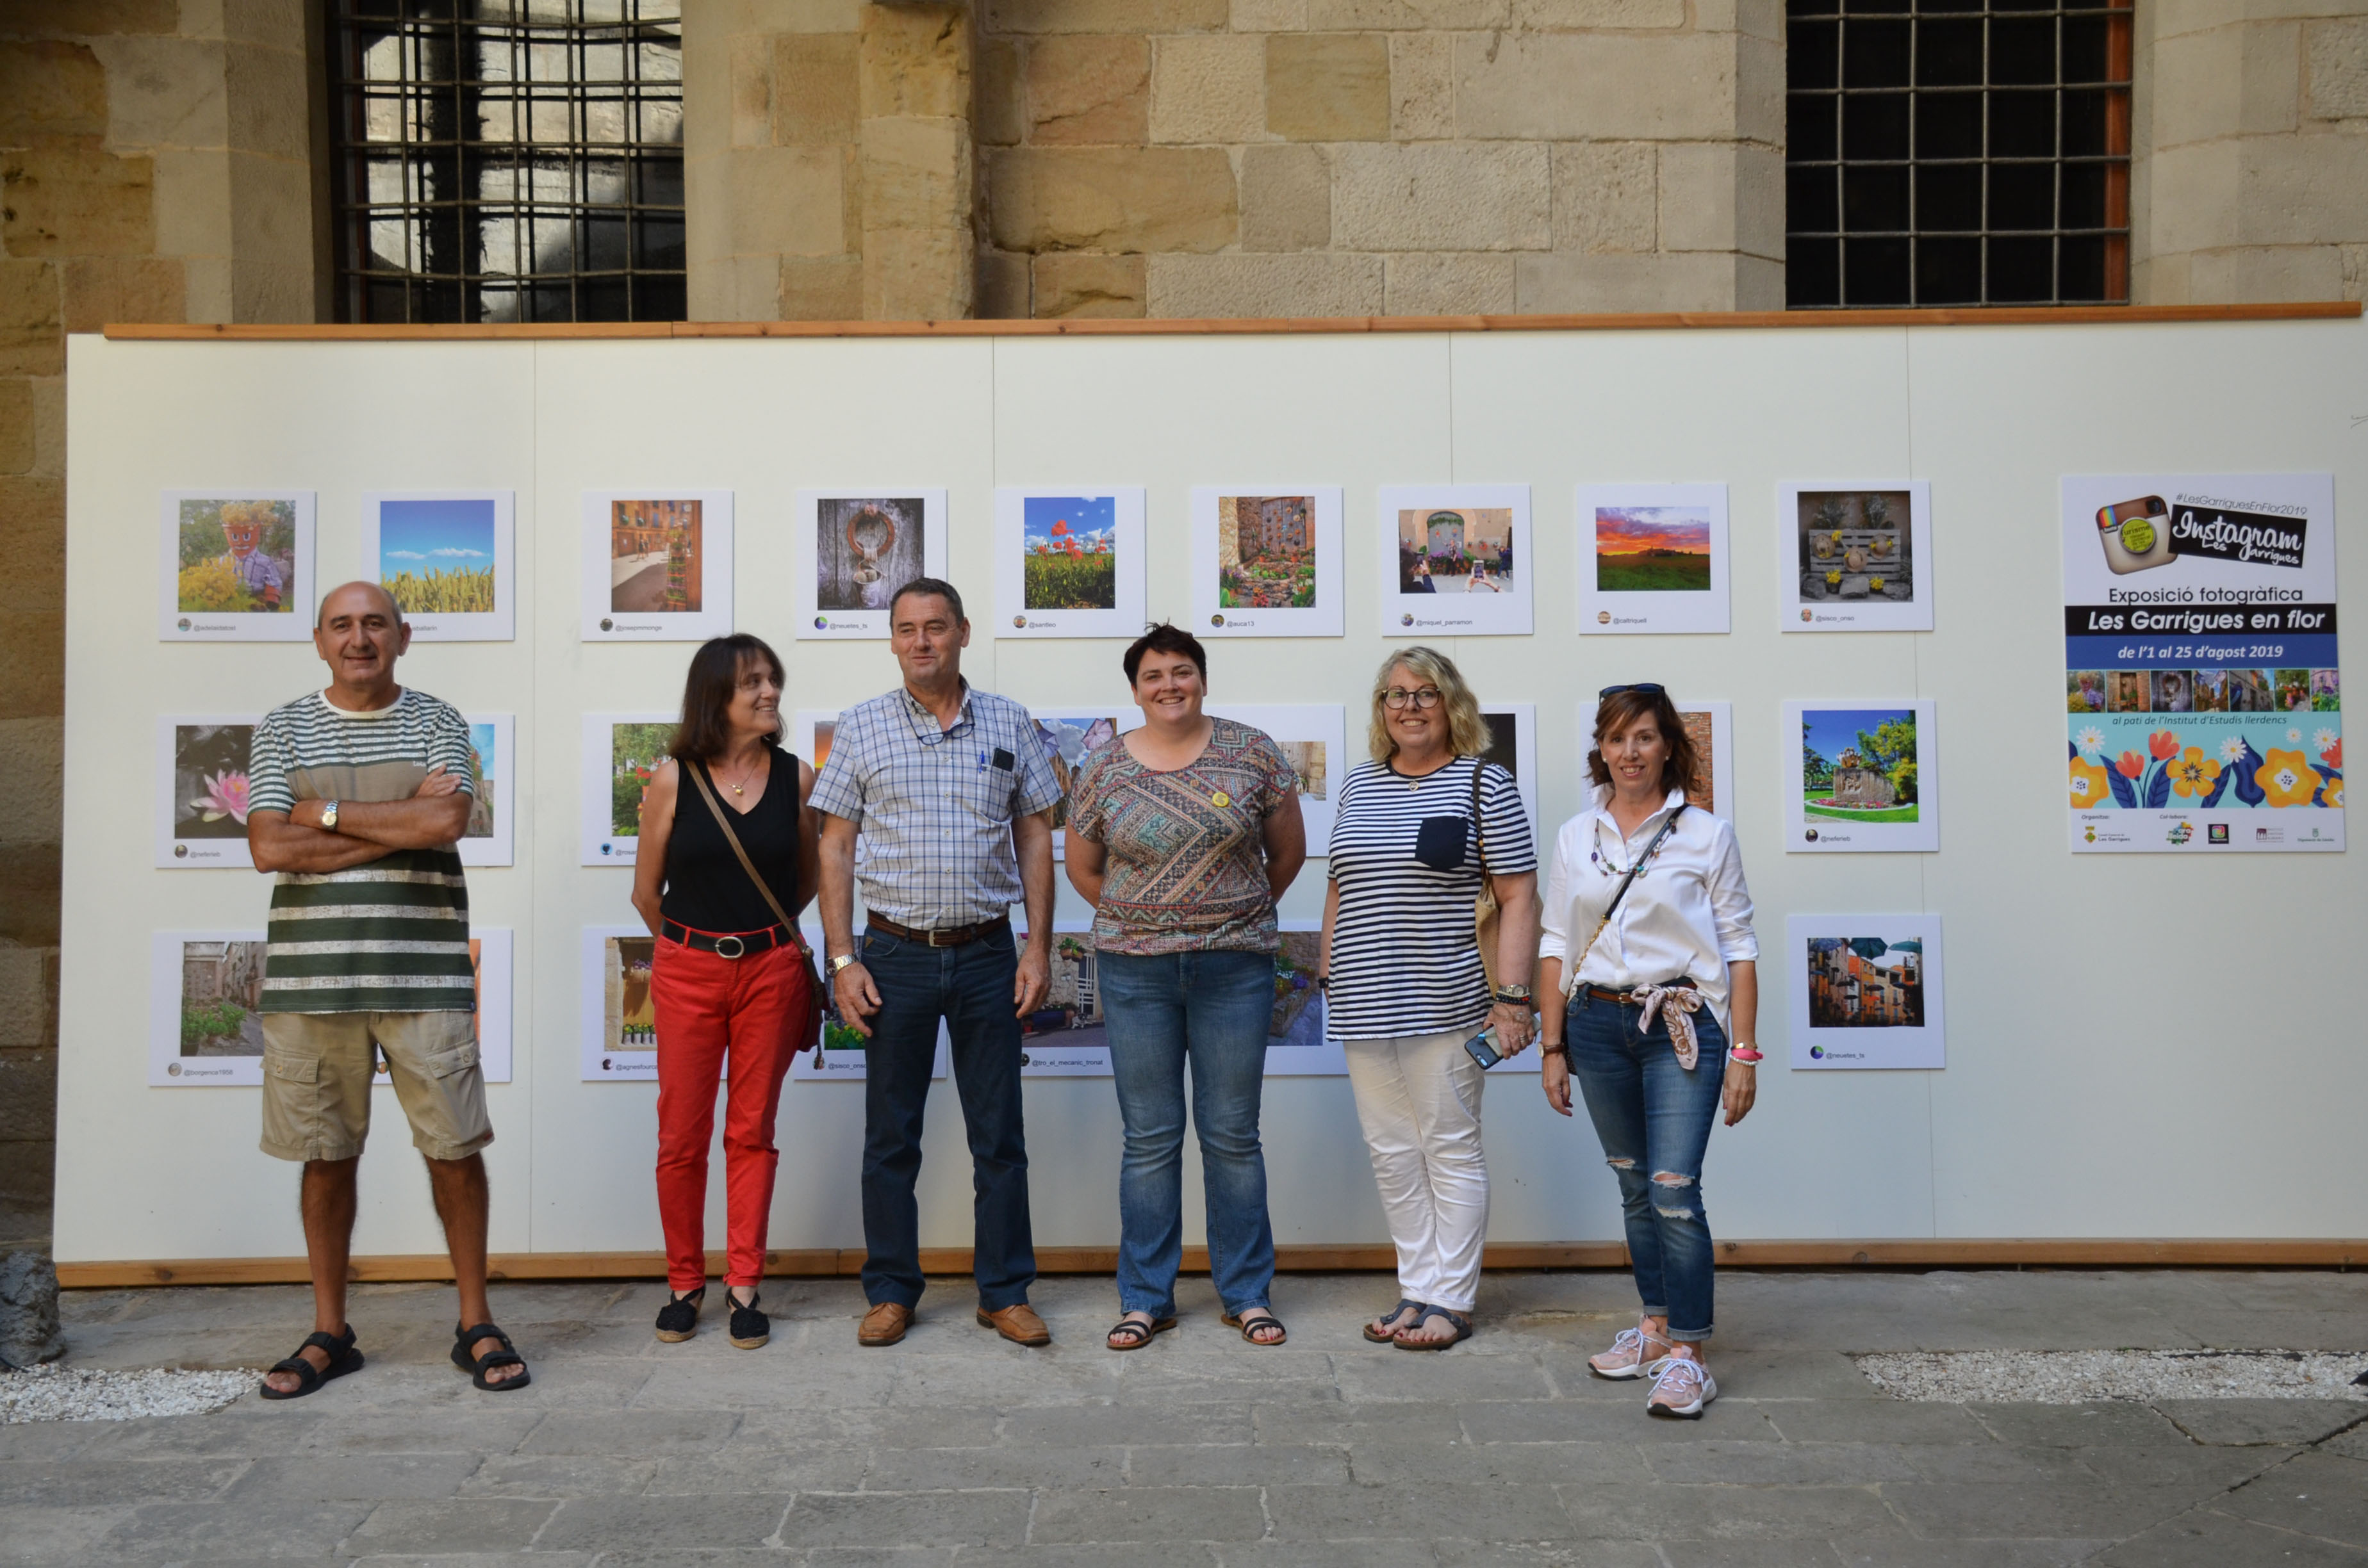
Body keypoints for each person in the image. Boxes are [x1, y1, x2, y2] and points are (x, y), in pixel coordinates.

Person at [244, 582, 527, 1398]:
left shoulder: (439, 718)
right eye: (343, 626)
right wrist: (392, 819)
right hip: (312, 984)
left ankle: (475, 1320)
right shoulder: (282, 726)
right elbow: (269, 846)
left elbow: (445, 826)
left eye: (375, 624)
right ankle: (331, 1330)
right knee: (325, 1160)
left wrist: (323, 815)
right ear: (318, 640)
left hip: (426, 976)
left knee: (455, 1153)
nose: (359, 638)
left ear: (403, 637)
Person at [812, 578, 1064, 1349]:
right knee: (891, 1138)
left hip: (989, 953)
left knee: (1000, 1137)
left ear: (962, 632)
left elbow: (1033, 839)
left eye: (936, 627)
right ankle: (891, 1291)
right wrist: (844, 957)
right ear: (891, 640)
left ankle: (1004, 1292)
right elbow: (836, 847)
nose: (921, 641)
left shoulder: (1011, 722)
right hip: (893, 956)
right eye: (907, 629)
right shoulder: (859, 728)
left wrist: (1038, 945)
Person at [1064, 625, 1308, 1352]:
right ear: (1135, 689)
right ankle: (1145, 1298)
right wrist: (1147, 920)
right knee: (1150, 1138)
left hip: (1235, 966)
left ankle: (1246, 1293)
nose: (1169, 685)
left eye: (1182, 671)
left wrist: (1224, 915)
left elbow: (1287, 854)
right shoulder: (1103, 766)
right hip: (1134, 971)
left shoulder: (1253, 752)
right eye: (1153, 676)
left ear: (1202, 677)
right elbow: (1084, 868)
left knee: (1232, 1136)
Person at [1536, 683, 1761, 1419]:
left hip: (1682, 1027)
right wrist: (1552, 1045)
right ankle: (1656, 1327)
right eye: (1615, 739)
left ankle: (1691, 1354)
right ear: (1599, 749)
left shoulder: (1706, 834)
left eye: (1644, 737)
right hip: (1596, 1025)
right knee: (1634, 1187)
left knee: (1672, 1190)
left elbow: (1739, 949)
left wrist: (1746, 1055)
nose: (1629, 752)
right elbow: (1555, 945)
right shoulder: (1577, 835)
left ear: (1669, 745)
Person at [1321, 647, 1539, 1350]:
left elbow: (1517, 895)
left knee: (1448, 1147)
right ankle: (1416, 1288)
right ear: (1382, 710)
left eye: (1425, 695)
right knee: (1390, 1150)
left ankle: (1453, 1298)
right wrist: (1330, 967)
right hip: (1362, 1001)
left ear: (1452, 706)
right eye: (1395, 695)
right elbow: (1339, 884)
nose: (1409, 707)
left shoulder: (1485, 782)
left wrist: (1512, 999)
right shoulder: (1358, 784)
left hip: (1446, 1000)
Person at [630, 634, 820, 1352]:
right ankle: (685, 1283)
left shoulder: (798, 778)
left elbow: (803, 883)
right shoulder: (672, 779)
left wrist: (753, 945)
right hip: (688, 969)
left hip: (770, 970)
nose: (770, 692)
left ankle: (744, 1286)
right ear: (717, 696)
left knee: (752, 1132)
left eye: (773, 679)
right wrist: (695, 947)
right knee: (681, 1135)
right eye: (753, 683)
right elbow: (647, 894)